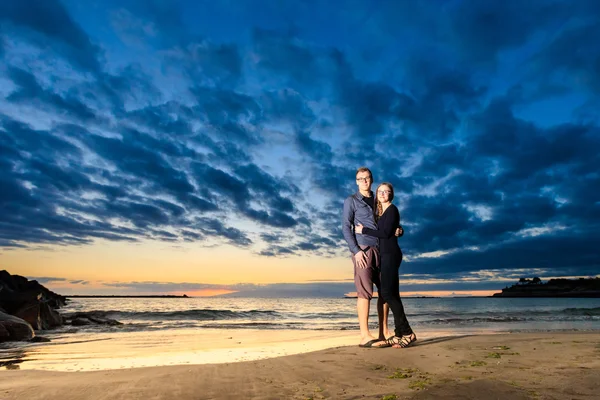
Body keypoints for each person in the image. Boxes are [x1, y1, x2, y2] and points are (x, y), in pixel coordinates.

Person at [342, 167, 400, 348]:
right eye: (360, 179)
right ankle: (365, 335)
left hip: (381, 250)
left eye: (367, 178)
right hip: (363, 250)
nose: (364, 181)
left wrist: (399, 230)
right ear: (356, 181)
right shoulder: (351, 201)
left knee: (385, 291)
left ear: (372, 179)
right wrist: (356, 250)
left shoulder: (379, 198)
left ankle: (384, 333)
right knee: (365, 291)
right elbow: (346, 227)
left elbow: (388, 222)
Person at [356, 182, 416, 348]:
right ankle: (398, 334)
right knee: (393, 294)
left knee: (387, 293)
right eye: (380, 191)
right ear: (377, 194)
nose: (383, 193)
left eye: (386, 191)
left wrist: (364, 231)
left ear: (391, 194)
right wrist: (399, 229)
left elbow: (384, 233)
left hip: (390, 255)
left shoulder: (392, 209)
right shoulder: (380, 213)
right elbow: (389, 228)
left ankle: (408, 333)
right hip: (385, 256)